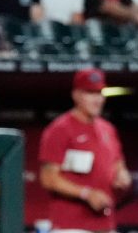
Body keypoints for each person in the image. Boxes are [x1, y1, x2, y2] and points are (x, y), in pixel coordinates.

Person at [38, 68, 131, 232]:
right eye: (90, 93)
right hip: (70, 225)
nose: (98, 99)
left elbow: (118, 163)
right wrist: (86, 194)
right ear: (76, 95)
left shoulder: (108, 129)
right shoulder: (60, 129)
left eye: (100, 93)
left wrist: (122, 175)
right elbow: (48, 178)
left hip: (105, 224)